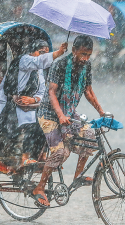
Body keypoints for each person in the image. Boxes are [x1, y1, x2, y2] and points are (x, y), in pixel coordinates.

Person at [32, 35, 106, 207]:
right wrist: (60, 115)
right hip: (49, 114)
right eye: (82, 54)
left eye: (88, 54)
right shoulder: (60, 65)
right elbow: (51, 92)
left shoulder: (86, 67)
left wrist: (102, 111)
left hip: (70, 113)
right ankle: (39, 187)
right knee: (60, 152)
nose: (85, 58)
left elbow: (88, 91)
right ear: (74, 51)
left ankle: (77, 175)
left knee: (89, 137)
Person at [0, 39, 68, 169]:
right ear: (32, 52)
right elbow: (39, 61)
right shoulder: (24, 60)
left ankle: (40, 156)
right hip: (8, 104)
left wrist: (34, 100)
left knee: (44, 123)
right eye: (41, 52)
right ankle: (25, 158)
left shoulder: (38, 70)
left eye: (46, 53)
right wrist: (60, 52)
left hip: (27, 106)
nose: (43, 55)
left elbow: (42, 91)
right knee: (32, 126)